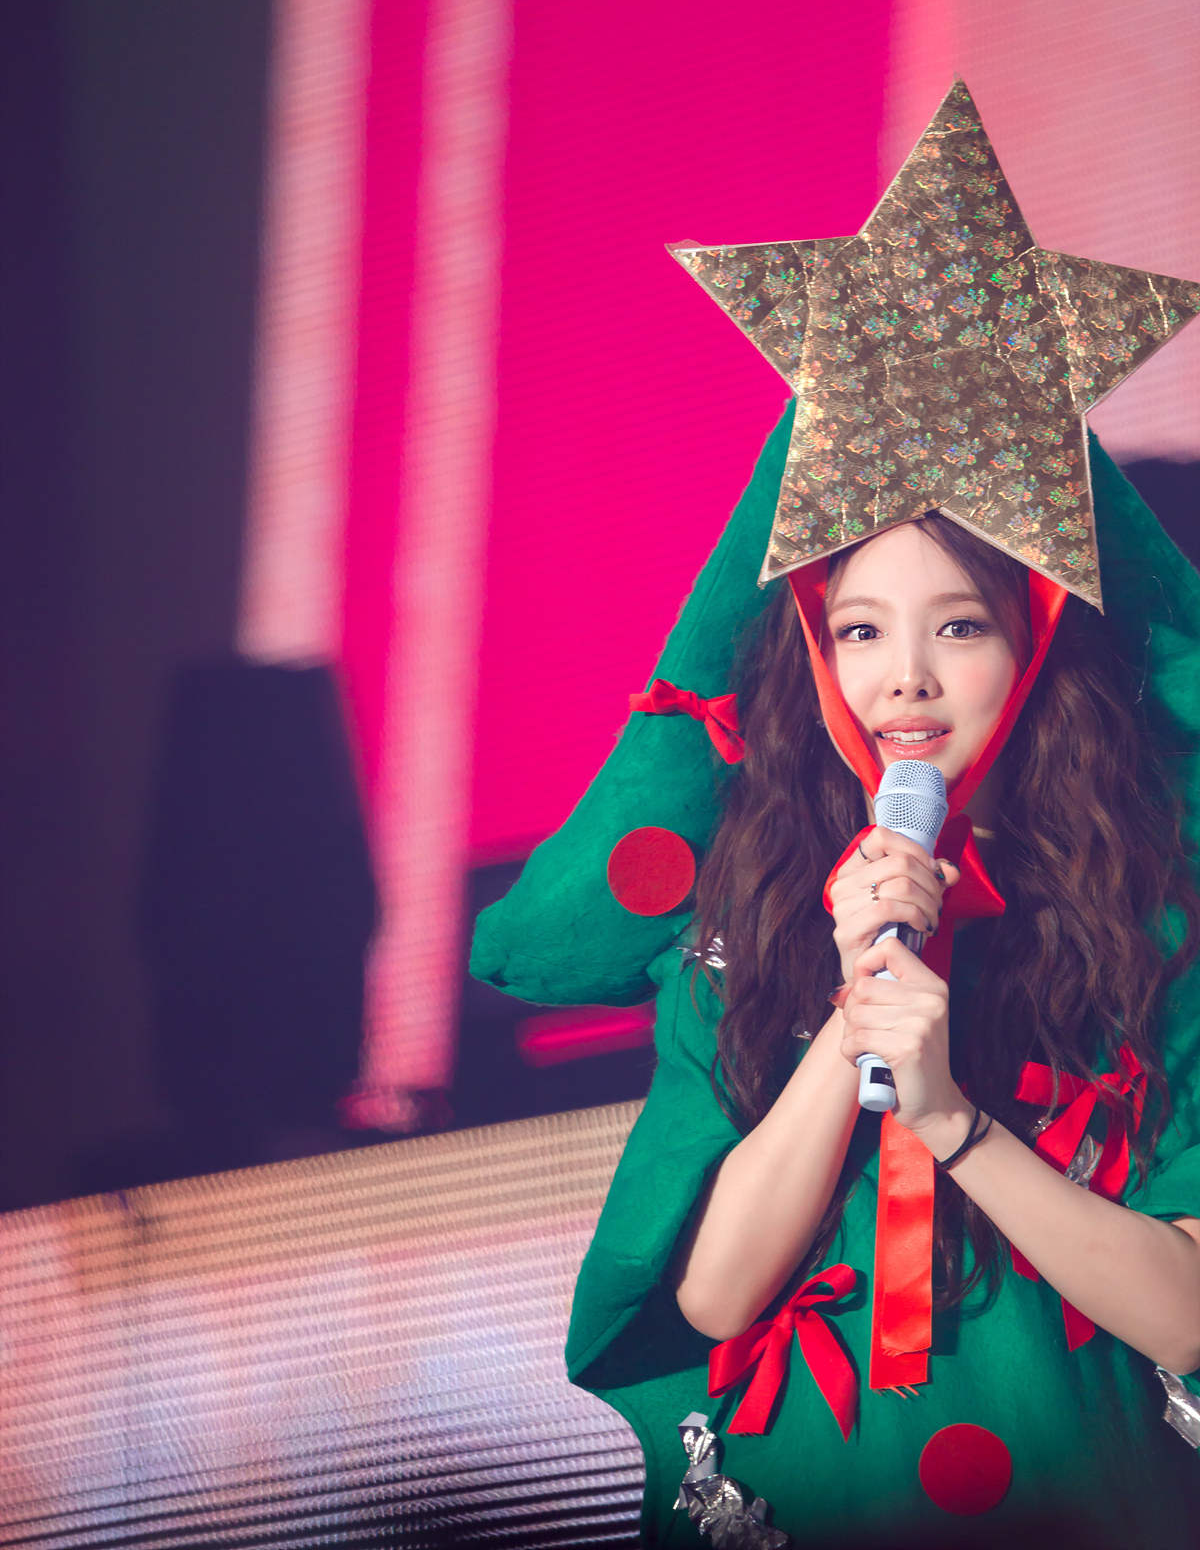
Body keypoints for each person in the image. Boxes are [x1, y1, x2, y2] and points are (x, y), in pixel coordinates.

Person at [470, 88, 1200, 1544]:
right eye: (860, 631)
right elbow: (713, 1294)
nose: (905, 679)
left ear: (1035, 646)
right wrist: (856, 1022)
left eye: (960, 628)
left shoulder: (1155, 909)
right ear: (812, 653)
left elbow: (1186, 1310)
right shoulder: (751, 900)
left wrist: (952, 1118)